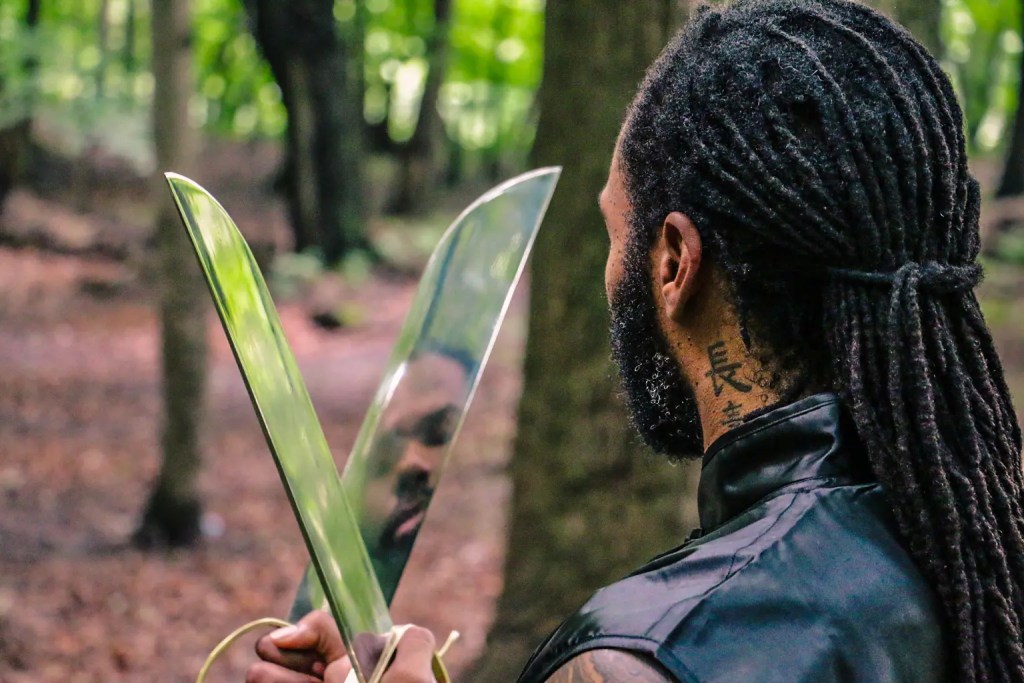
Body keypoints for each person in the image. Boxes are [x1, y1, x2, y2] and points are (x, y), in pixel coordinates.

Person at [245, 0, 1024, 681]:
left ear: (675, 262)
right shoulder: (978, 545)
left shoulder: (639, 658)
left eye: (614, 233)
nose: (608, 270)